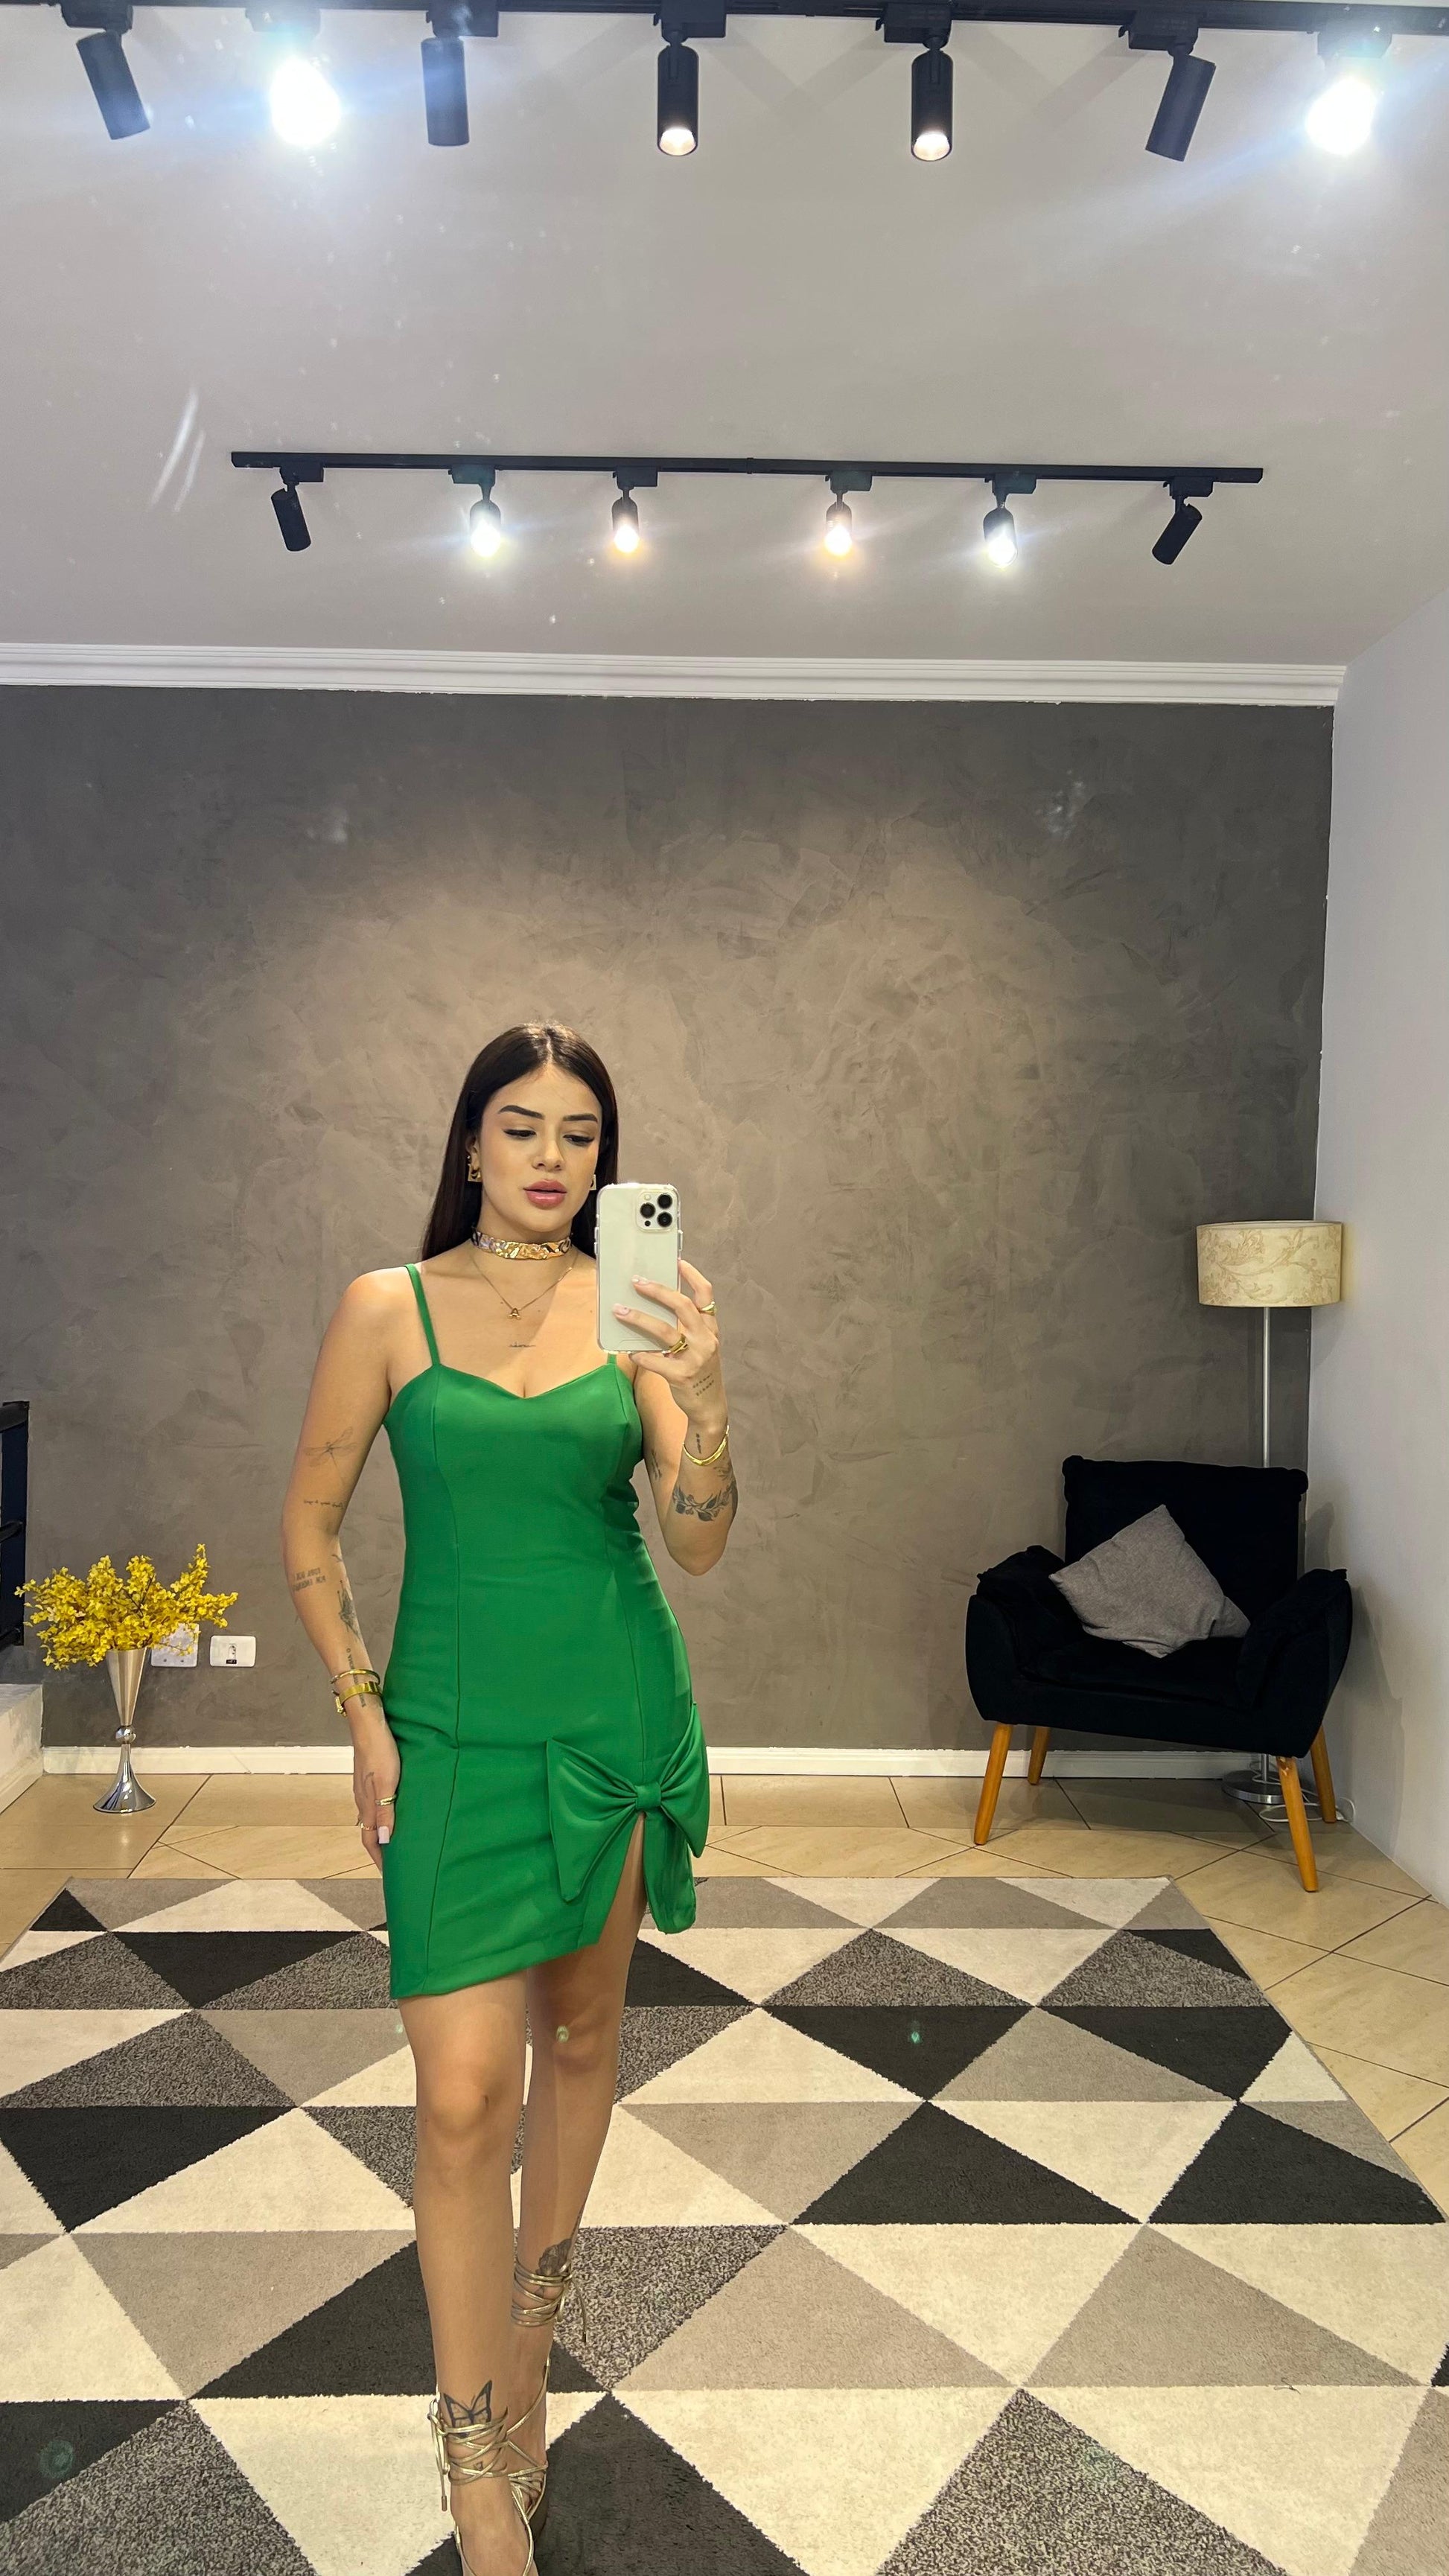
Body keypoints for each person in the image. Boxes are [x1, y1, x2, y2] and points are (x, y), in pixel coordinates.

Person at [280, 1020, 737, 2575]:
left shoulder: (636, 1307)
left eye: (581, 1134)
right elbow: (308, 1527)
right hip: (453, 1737)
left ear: (608, 1160)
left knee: (583, 2041)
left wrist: (705, 1398)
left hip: (613, 1720)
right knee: (465, 2093)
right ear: (470, 1140)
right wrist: (363, 1717)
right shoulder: (386, 1306)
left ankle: (526, 2356)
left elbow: (698, 1539)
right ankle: (474, 2455)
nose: (552, 1156)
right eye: (522, 1125)